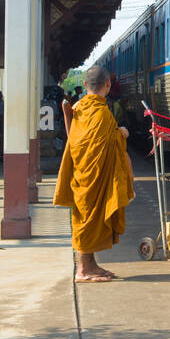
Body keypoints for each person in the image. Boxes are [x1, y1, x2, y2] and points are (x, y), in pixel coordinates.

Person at [53, 65, 134, 283]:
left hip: (83, 175)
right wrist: (122, 133)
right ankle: (83, 270)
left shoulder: (79, 107)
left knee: (87, 218)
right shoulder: (101, 113)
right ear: (108, 84)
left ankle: (91, 264)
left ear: (86, 85)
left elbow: (77, 139)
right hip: (93, 177)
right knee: (89, 219)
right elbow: (107, 142)